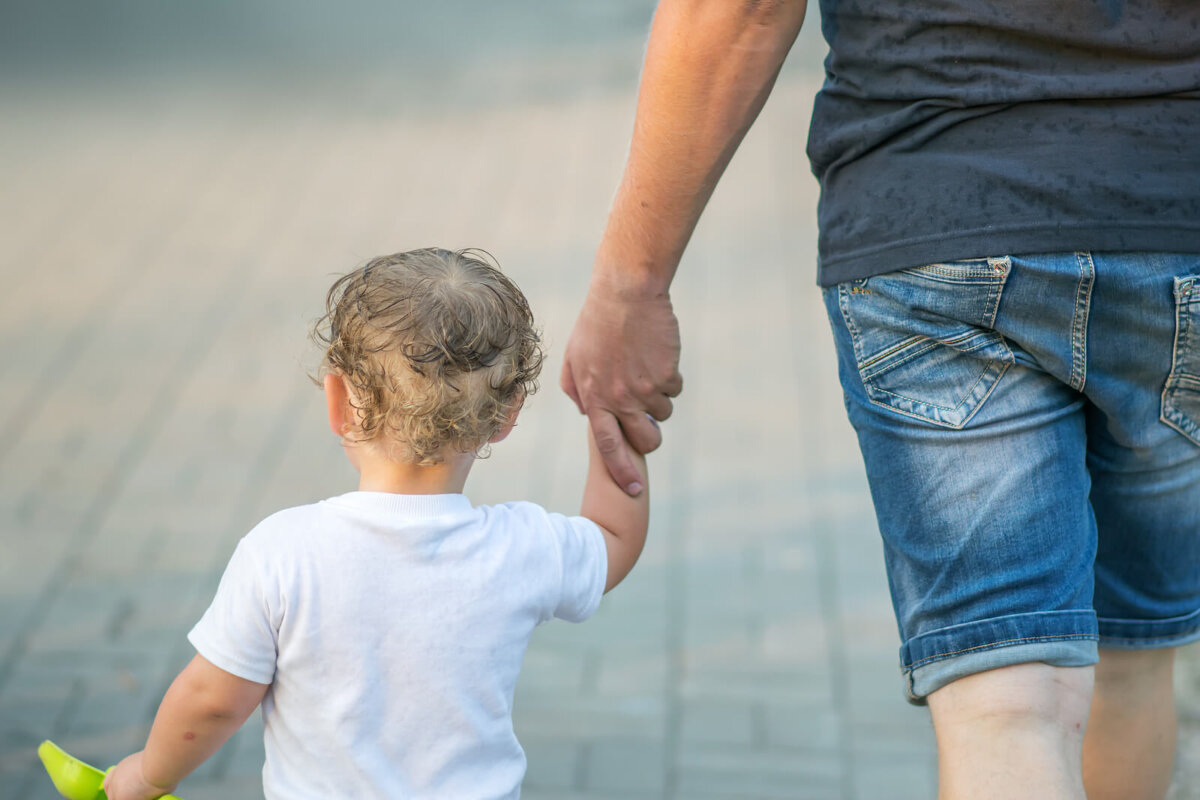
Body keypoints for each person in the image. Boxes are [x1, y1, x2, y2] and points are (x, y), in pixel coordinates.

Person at [560, 2, 1200, 798]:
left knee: (1003, 705)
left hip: (933, 222)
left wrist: (632, 282)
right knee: (1132, 661)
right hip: (1176, 222)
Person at [103, 248, 649, 799]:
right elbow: (614, 537)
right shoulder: (522, 549)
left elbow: (213, 700)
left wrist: (150, 775)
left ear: (339, 400)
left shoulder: (282, 553)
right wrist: (613, 409)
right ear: (505, 416)